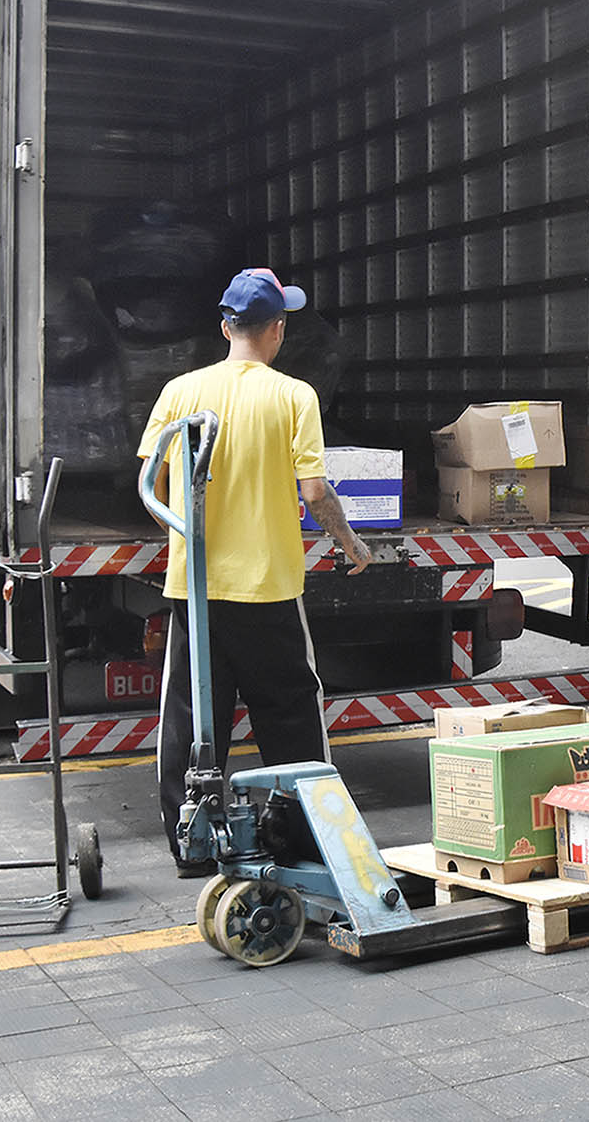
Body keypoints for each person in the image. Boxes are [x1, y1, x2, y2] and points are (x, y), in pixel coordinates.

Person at [137, 267, 373, 877]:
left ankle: (190, 844)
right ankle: (298, 838)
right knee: (291, 712)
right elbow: (315, 490)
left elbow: (152, 480)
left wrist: (184, 535)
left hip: (197, 586)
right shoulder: (294, 396)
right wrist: (349, 542)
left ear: (225, 327)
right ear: (277, 330)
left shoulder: (180, 393)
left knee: (191, 711)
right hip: (268, 585)